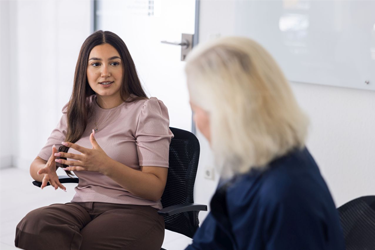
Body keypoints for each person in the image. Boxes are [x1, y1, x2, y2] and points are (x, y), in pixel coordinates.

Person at [15, 30, 173, 250]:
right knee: (32, 227)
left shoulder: (145, 110)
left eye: (114, 63)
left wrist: (106, 166)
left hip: (136, 211)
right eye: (96, 64)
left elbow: (155, 188)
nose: (105, 72)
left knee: (86, 244)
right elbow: (37, 164)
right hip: (82, 207)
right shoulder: (77, 111)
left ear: (125, 68)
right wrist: (46, 170)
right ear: (85, 70)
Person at [184, 37, 345, 250]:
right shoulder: (244, 159)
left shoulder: (286, 194)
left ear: (226, 115)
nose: (196, 120)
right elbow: (211, 242)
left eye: (196, 110)